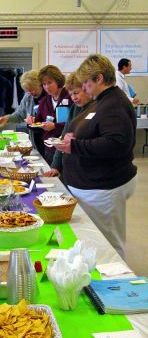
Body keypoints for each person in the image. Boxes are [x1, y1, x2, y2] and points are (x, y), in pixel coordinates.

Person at [55, 54, 137, 259]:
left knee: (108, 243)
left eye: (86, 83)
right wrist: (76, 136)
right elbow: (93, 129)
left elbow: (116, 143)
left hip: (105, 186)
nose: (84, 87)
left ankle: (113, 284)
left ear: (99, 78)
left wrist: (75, 145)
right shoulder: (102, 101)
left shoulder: (114, 103)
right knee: (95, 241)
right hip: (90, 185)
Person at [44, 72, 93, 178]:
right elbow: (63, 136)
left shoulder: (96, 107)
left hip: (87, 171)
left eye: (76, 93)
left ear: (87, 89)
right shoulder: (74, 108)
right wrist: (55, 166)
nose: (73, 98)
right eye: (71, 94)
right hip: (71, 169)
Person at [27, 65, 73, 164]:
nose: (47, 87)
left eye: (49, 82)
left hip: (67, 148)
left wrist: (55, 126)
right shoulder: (44, 101)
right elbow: (38, 123)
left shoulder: (71, 97)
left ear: (58, 81)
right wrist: (31, 122)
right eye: (44, 84)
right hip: (48, 149)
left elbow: (75, 123)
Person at [0, 69, 46, 156]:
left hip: (47, 140)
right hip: (35, 140)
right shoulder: (27, 97)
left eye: (33, 89)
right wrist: (7, 118)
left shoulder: (48, 97)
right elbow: (19, 115)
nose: (30, 92)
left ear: (40, 84)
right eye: (27, 90)